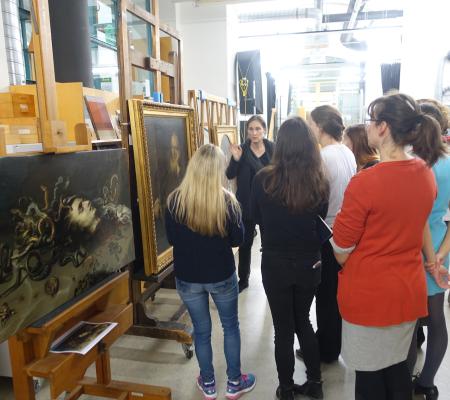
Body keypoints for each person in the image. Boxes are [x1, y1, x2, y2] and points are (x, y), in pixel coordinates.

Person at [331, 93, 447, 400]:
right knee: (397, 369)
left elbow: (341, 249)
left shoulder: (366, 183)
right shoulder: (424, 172)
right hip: (406, 291)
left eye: (371, 121)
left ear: (383, 128)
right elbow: (420, 219)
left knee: (369, 377)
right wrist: (433, 260)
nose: (366, 127)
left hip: (370, 297)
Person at [165, 144, 256, 400]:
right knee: (230, 327)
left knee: (201, 331)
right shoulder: (227, 201)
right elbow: (238, 240)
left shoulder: (174, 200)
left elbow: (172, 239)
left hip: (188, 277)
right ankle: (235, 382)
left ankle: (207, 383)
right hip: (221, 275)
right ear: (218, 169)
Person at [250, 117, 330, 400]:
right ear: (309, 145)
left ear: (280, 145)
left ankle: (286, 389)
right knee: (304, 321)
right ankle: (315, 383)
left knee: (282, 329)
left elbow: (256, 217)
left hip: (275, 262)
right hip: (310, 262)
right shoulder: (319, 180)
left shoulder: (263, 180)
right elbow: (321, 213)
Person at [302, 105, 356, 363]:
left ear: (320, 127)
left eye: (311, 124)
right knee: (333, 295)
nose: (310, 128)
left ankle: (326, 349)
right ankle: (332, 344)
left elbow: (316, 200)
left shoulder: (324, 157)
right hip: (344, 231)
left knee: (324, 296)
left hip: (327, 233)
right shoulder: (346, 151)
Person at [406, 101, 450, 400]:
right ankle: (428, 382)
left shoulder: (409, 166)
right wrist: (440, 256)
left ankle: (403, 379)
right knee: (436, 318)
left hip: (408, 247)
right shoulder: (448, 164)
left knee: (407, 321)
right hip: (438, 245)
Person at [226, 115, 274, 293]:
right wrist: (236, 159)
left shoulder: (272, 149)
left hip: (269, 204)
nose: (254, 133)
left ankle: (269, 278)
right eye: (251, 129)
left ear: (264, 130)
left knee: (269, 244)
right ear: (247, 131)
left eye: (258, 129)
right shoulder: (241, 149)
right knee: (245, 244)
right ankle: (243, 279)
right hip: (246, 204)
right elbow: (230, 174)